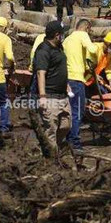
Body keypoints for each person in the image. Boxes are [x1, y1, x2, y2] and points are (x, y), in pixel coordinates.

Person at [32, 20, 71, 160]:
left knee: (66, 125)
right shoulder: (43, 50)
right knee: (51, 129)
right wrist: (42, 96)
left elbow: (60, 69)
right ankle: (51, 159)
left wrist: (66, 84)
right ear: (56, 35)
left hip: (63, 95)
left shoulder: (59, 48)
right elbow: (40, 73)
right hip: (50, 96)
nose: (63, 36)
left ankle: (53, 149)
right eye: (62, 34)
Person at [62, 18, 98, 162]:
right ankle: (75, 143)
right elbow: (93, 49)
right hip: (77, 79)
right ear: (87, 28)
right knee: (78, 111)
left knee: (70, 111)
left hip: (67, 80)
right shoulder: (83, 35)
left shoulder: (67, 40)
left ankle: (67, 138)